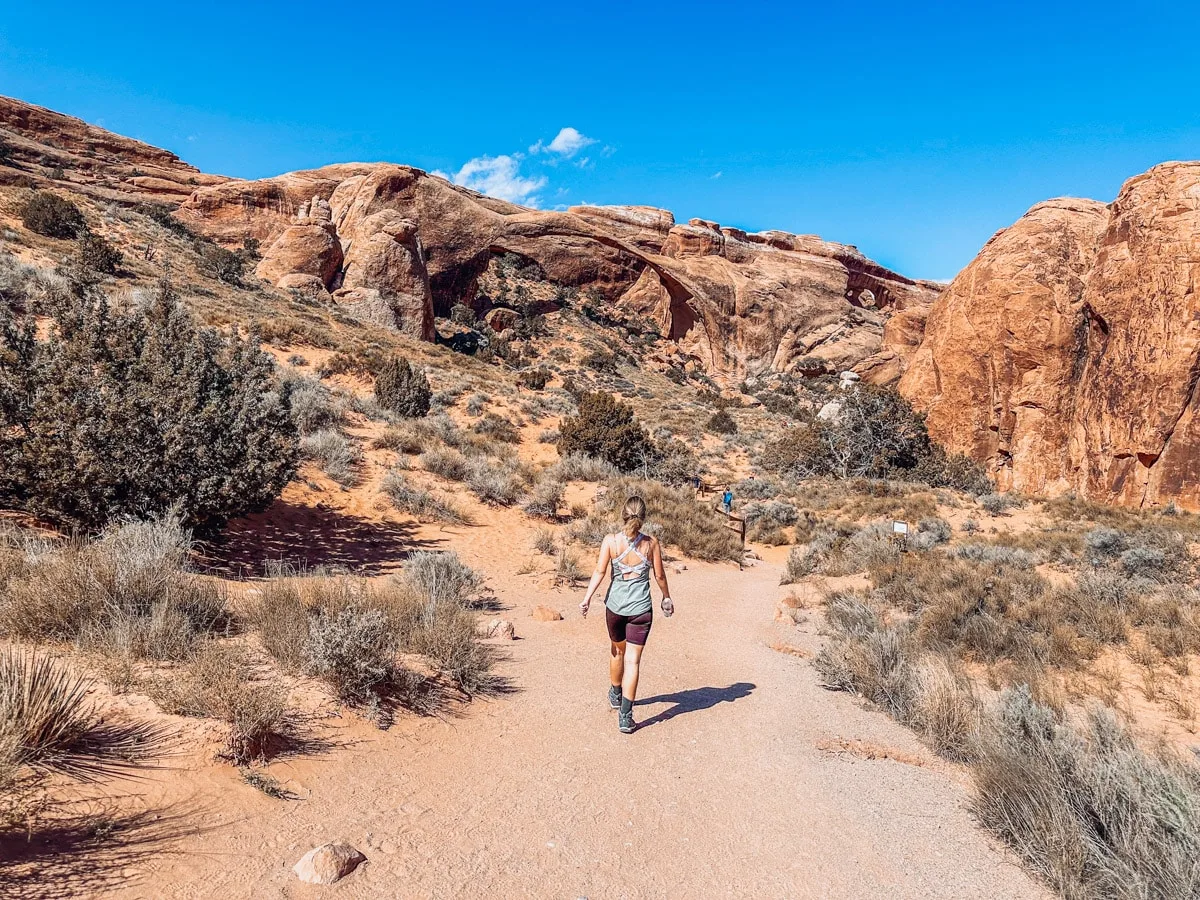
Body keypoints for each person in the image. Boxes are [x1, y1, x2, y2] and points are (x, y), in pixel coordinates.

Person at [579, 496, 673, 734]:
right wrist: (666, 597)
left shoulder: (610, 541)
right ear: (643, 517)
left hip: (615, 608)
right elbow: (659, 576)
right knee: (633, 660)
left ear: (623, 514)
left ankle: (615, 692)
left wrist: (587, 598)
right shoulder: (651, 544)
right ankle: (625, 717)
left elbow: (600, 571)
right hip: (641, 609)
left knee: (617, 650)